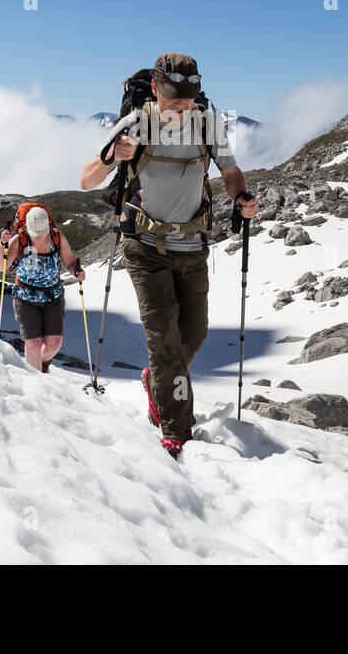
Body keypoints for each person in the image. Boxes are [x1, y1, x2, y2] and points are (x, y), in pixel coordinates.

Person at [79, 53, 258, 458]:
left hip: (192, 245)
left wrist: (241, 197)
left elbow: (230, 171)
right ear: (156, 89)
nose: (181, 106)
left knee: (193, 334)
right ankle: (176, 430)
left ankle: (155, 380)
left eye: (188, 98)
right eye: (174, 98)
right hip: (143, 248)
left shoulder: (208, 125)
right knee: (164, 341)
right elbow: (87, 178)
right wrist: (112, 156)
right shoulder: (135, 124)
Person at [0, 205, 86, 373]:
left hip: (53, 296)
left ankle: (43, 362)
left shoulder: (57, 237)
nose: (41, 235)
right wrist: (2, 244)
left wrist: (76, 271)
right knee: (33, 344)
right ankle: (37, 386)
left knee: (54, 345)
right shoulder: (20, 239)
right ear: (27, 227)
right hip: (25, 297)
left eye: (43, 231)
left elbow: (70, 262)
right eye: (36, 232)